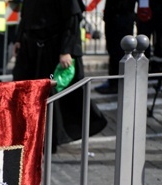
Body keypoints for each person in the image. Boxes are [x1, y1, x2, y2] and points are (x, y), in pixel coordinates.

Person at [12, 0, 107, 151]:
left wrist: (66, 50)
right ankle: (29, 136)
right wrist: (18, 38)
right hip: (31, 48)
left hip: (54, 50)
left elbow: (72, 19)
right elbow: (27, 14)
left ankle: (48, 141)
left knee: (51, 97)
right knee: (25, 92)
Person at [94, 0, 136, 95]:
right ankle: (113, 81)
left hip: (122, 18)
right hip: (113, 18)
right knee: (113, 52)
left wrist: (144, 9)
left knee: (119, 53)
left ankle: (116, 83)